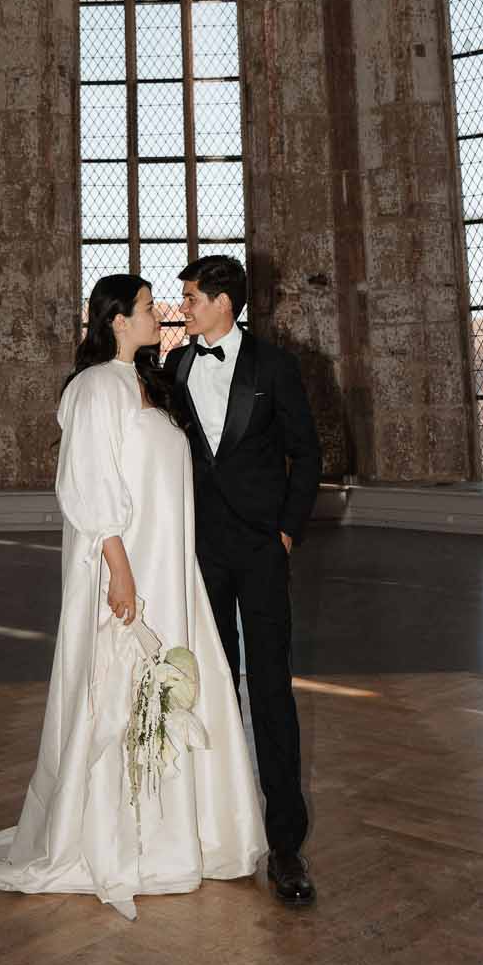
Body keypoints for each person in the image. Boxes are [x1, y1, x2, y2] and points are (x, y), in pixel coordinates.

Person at [0, 275, 266, 921]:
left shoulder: (149, 386)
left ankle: (188, 833)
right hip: (126, 569)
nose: (156, 314)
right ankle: (119, 836)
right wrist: (119, 570)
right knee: (117, 697)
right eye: (142, 307)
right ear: (114, 322)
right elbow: (87, 485)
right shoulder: (94, 388)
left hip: (170, 568)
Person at [166, 253, 322, 906]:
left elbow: (307, 452)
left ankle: (285, 845)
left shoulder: (275, 365)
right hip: (197, 548)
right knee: (204, 685)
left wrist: (285, 531)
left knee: (270, 691)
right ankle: (209, 827)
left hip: (259, 550)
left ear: (225, 303)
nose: (183, 308)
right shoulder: (175, 363)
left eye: (193, 297)